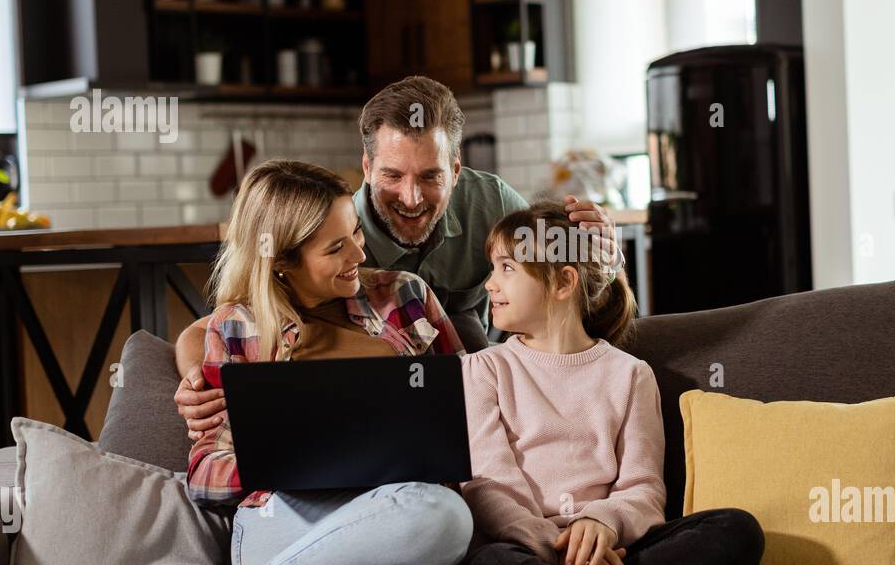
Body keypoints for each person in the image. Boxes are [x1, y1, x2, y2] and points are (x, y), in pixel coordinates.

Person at [72, 160, 472, 565]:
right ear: (282, 259)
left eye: (354, 233)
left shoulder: (405, 296)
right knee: (444, 517)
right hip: (282, 523)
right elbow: (204, 475)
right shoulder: (237, 329)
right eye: (335, 247)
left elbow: (470, 406)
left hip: (394, 519)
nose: (358, 253)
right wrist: (294, 453)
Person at [173, 74, 617, 438]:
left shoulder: (493, 203)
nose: (411, 197)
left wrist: (604, 257)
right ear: (366, 169)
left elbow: (571, 285)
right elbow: (224, 325)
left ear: (457, 169)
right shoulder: (331, 230)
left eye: (430, 177)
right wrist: (202, 383)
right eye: (392, 176)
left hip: (487, 380)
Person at [458, 200, 816, 565]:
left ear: (563, 282)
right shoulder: (483, 369)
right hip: (526, 548)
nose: (490, 283)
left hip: (612, 546)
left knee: (736, 532)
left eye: (506, 268)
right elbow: (486, 484)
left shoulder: (630, 374)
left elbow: (645, 490)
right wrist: (556, 549)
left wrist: (603, 523)